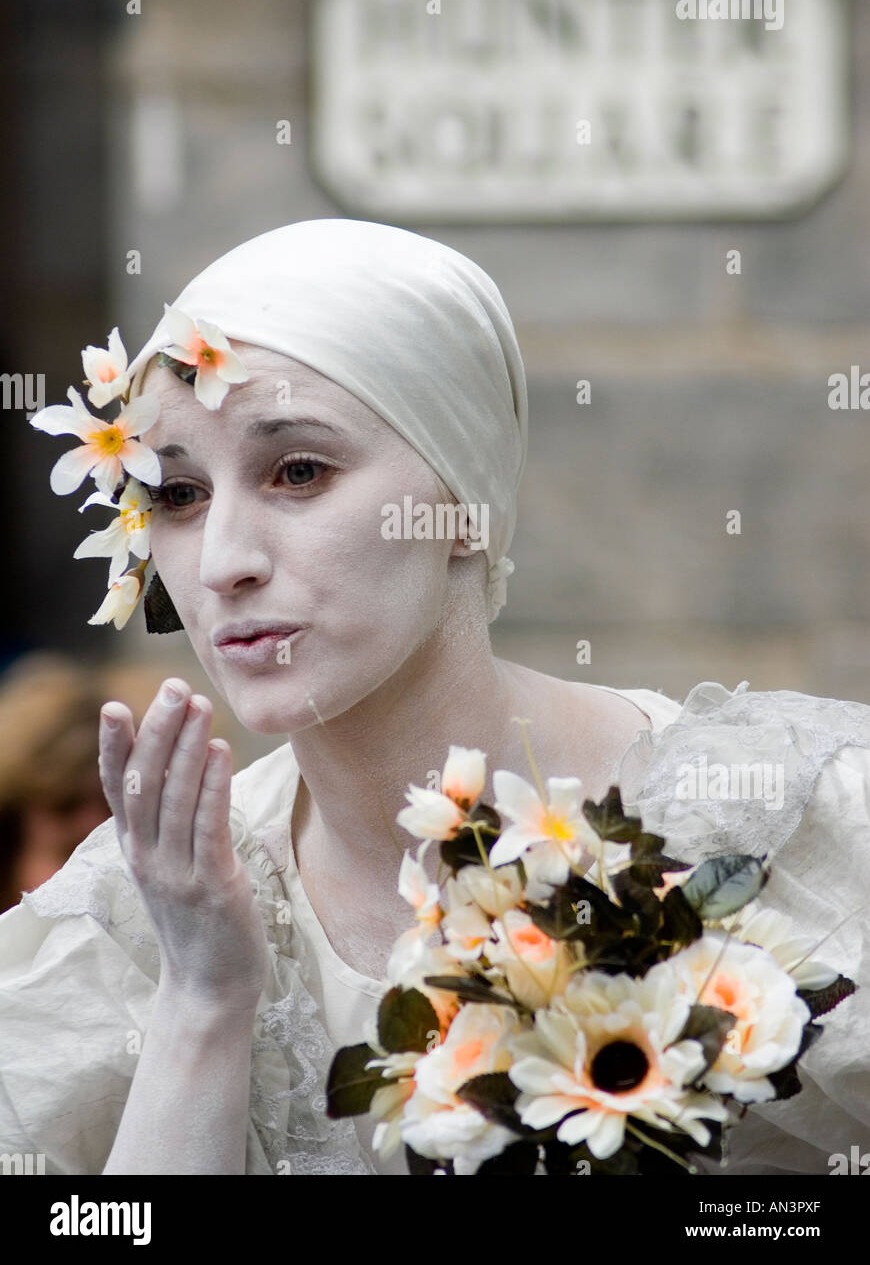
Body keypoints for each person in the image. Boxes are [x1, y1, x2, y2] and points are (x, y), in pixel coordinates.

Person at [0, 219, 867, 1176]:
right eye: (176, 495)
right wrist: (203, 1002)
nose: (223, 564)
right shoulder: (131, 918)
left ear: (464, 505)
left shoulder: (779, 818)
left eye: (299, 471)